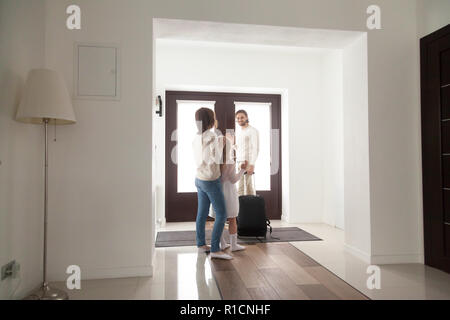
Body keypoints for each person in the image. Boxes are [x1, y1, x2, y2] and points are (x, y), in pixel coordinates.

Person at [192, 108, 232, 260]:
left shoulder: (197, 136)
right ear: (211, 119)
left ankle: (201, 244)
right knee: (222, 214)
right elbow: (214, 160)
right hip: (210, 180)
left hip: (199, 178)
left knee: (201, 213)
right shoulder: (213, 137)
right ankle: (215, 249)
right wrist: (223, 144)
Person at [209, 132, 247, 252]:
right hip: (229, 193)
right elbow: (234, 179)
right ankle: (234, 245)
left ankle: (222, 243)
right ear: (229, 148)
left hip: (217, 192)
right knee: (232, 219)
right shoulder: (230, 162)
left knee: (219, 219)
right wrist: (242, 170)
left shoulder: (212, 161)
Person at [235, 110, 259, 196]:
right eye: (238, 118)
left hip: (247, 162)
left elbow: (255, 148)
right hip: (239, 162)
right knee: (240, 188)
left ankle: (252, 209)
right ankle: (241, 209)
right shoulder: (240, 131)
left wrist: (252, 164)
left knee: (248, 188)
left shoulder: (252, 130)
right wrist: (232, 144)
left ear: (247, 117)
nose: (240, 119)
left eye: (242, 117)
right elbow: (240, 148)